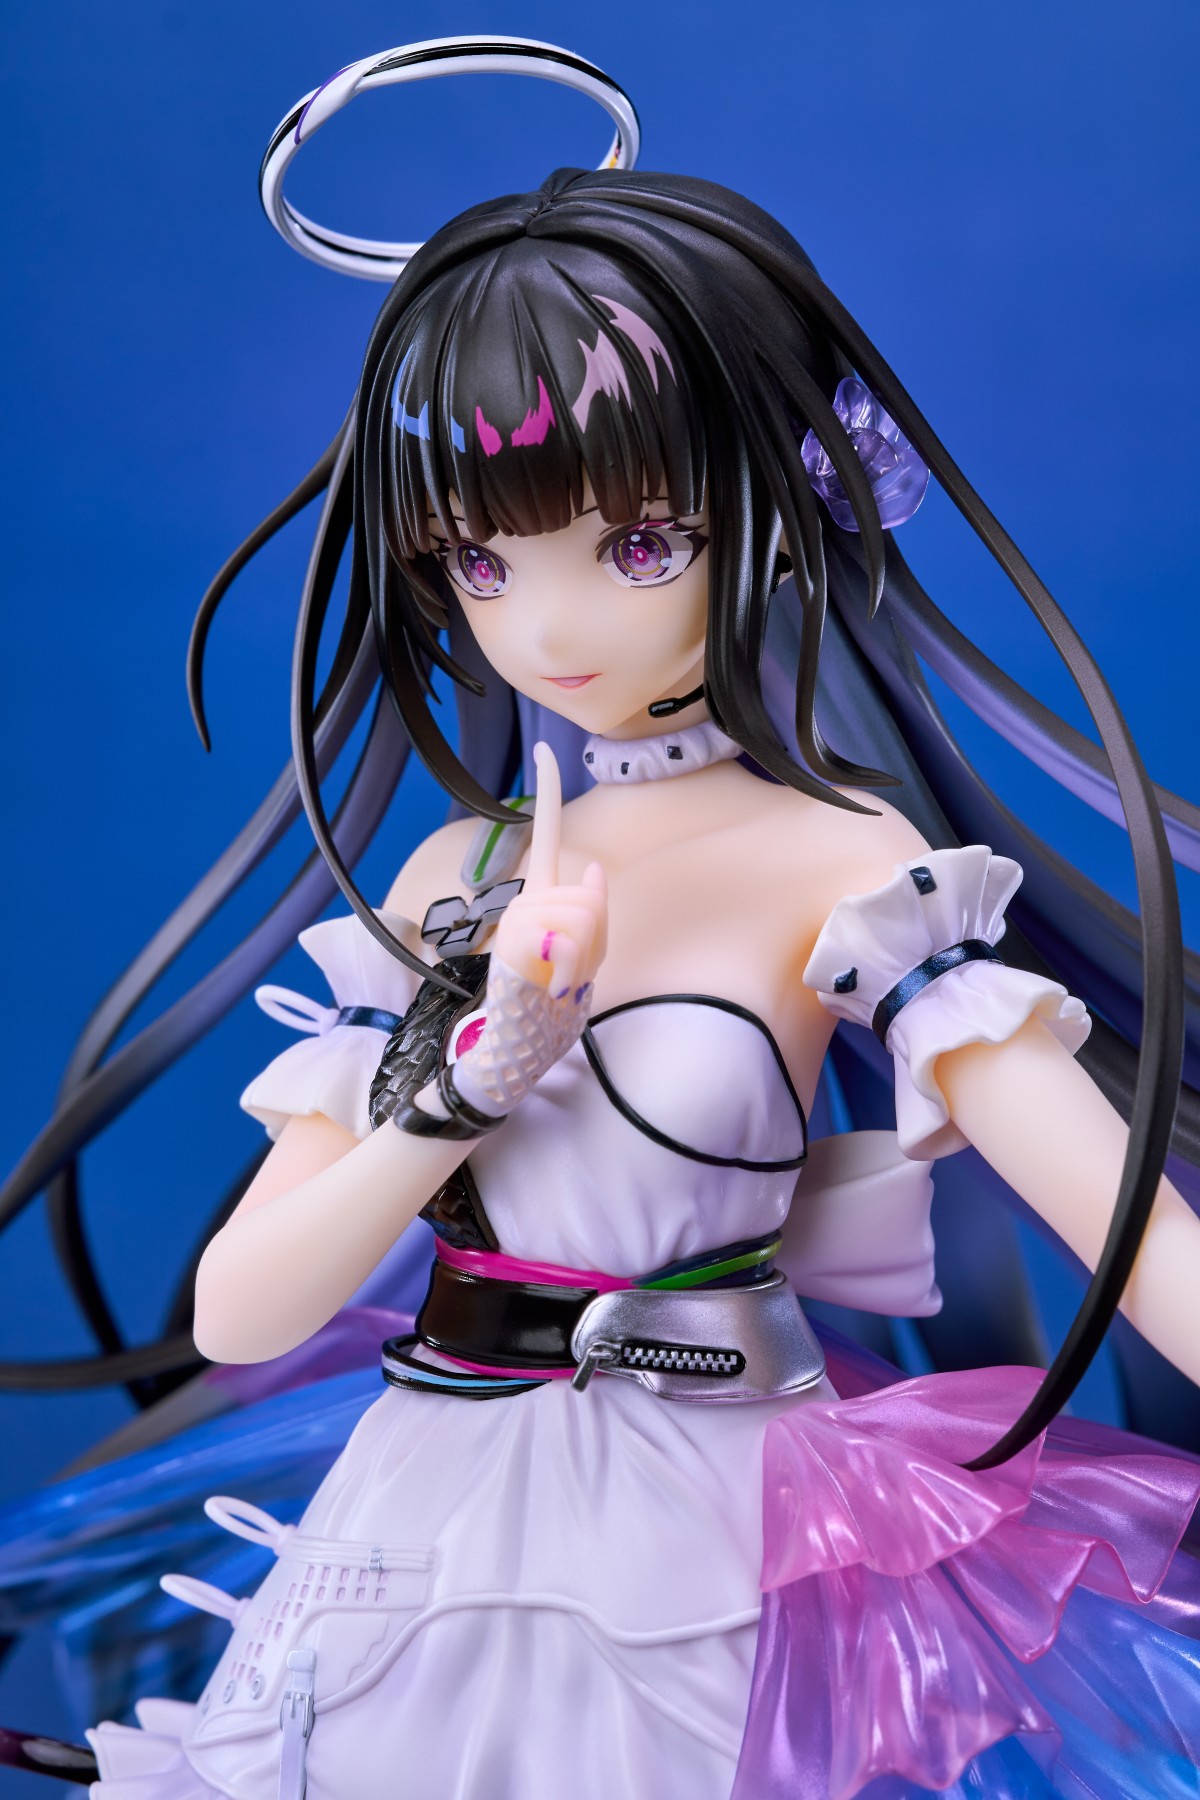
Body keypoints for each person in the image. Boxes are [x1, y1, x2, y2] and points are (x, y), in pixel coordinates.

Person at [4, 144, 1200, 1798]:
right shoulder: (453, 876)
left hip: (724, 1529)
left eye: (639, 545)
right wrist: (465, 1088)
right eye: (481, 563)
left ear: (781, 512)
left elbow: (1134, 1238)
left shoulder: (842, 860)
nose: (548, 628)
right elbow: (246, 1306)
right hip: (427, 1525)